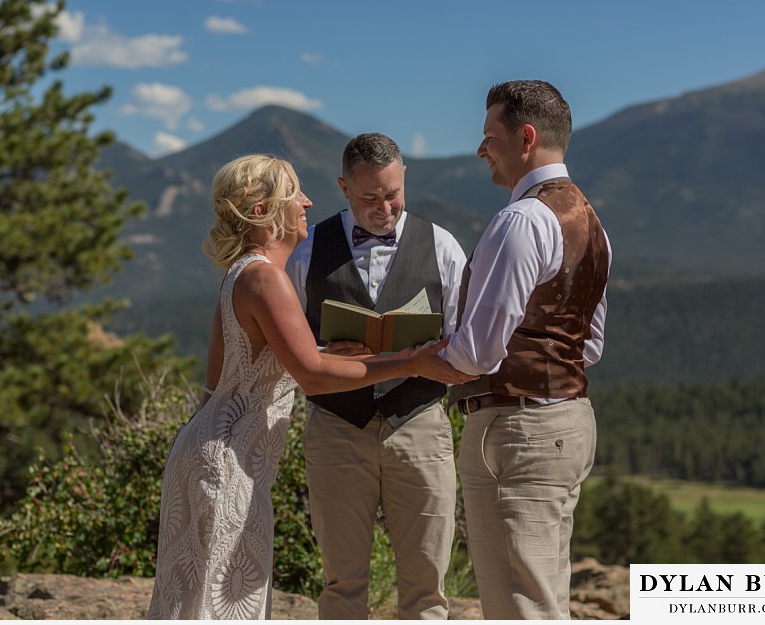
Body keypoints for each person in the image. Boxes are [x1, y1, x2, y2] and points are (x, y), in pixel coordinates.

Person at [146, 154, 473, 620]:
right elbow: (311, 375)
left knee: (196, 597)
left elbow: (224, 381)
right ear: (262, 211)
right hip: (229, 461)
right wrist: (408, 359)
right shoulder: (266, 278)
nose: (306, 201)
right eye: (293, 192)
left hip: (212, 451)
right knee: (224, 601)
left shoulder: (242, 273)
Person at [422, 80, 611, 619]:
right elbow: (588, 344)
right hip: (569, 423)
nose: (481, 149)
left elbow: (478, 352)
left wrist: (408, 357)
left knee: (514, 605)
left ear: (525, 137)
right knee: (543, 594)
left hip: (516, 429)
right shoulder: (591, 222)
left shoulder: (521, 219)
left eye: (489, 137)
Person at [285, 133, 467, 619]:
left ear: (404, 177)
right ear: (344, 187)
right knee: (342, 584)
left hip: (420, 424)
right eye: (370, 197)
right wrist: (326, 350)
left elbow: (468, 338)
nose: (384, 207)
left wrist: (426, 351)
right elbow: (283, 345)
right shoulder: (306, 251)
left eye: (393, 194)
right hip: (337, 427)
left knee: (428, 587)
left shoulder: (443, 246)